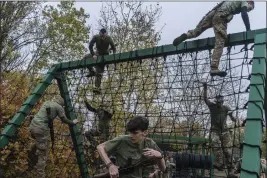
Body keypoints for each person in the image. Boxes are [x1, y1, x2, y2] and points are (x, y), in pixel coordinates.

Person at [173, 1, 255, 77]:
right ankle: (214, 68)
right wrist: (248, 29)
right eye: (250, 8)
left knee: (197, 31)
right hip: (221, 16)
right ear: (249, 2)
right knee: (220, 40)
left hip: (213, 13)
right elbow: (244, 14)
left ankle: (186, 35)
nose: (248, 10)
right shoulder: (244, 1)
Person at [96, 116, 166, 178]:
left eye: (135, 133)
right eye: (130, 132)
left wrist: (159, 156)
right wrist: (110, 165)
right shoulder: (122, 140)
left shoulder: (150, 143)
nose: (131, 136)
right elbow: (100, 147)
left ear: (145, 132)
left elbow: (163, 169)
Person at [28, 96, 79, 178]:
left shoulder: (47, 102)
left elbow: (47, 116)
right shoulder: (59, 107)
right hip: (41, 128)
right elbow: (64, 119)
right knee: (43, 154)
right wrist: (73, 122)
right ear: (61, 103)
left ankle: (33, 151)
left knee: (41, 143)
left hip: (32, 126)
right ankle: (40, 175)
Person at [202, 82, 242, 178]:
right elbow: (205, 99)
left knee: (228, 151)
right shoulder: (212, 106)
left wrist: (235, 120)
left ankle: (231, 171)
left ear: (223, 101)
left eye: (221, 101)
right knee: (216, 145)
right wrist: (205, 88)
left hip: (225, 132)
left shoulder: (226, 108)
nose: (220, 103)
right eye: (218, 101)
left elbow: (232, 117)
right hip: (215, 131)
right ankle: (219, 162)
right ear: (216, 101)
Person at [86, 28, 116, 94]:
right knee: (85, 58)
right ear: (100, 34)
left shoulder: (109, 38)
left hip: (105, 57)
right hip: (97, 54)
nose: (102, 38)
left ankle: (97, 88)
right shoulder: (96, 37)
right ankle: (91, 71)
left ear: (106, 34)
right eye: (101, 36)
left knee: (99, 73)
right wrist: (93, 54)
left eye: (104, 36)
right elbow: (90, 46)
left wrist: (114, 56)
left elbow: (114, 48)